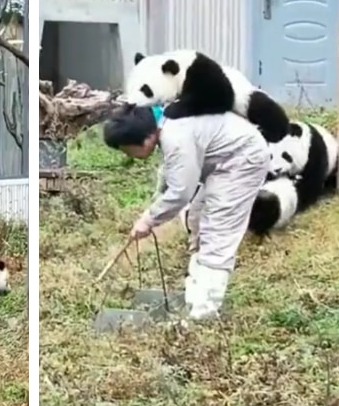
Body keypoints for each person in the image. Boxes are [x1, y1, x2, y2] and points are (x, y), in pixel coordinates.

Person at [102, 104, 270, 320]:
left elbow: (181, 192)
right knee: (197, 219)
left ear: (144, 139)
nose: (131, 156)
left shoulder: (175, 136)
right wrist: (152, 210)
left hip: (242, 161)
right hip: (223, 164)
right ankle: (195, 297)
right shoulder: (167, 126)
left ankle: (204, 313)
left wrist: (149, 219)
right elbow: (171, 177)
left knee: (217, 233)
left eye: (127, 150)